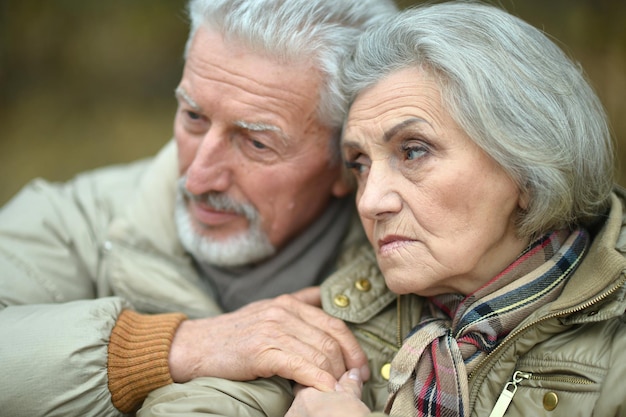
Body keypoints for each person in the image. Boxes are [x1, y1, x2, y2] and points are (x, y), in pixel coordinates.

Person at [0, 0, 399, 415]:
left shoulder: (424, 281)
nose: (197, 177)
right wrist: (164, 348)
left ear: (347, 160)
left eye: (257, 142)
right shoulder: (73, 217)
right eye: (193, 116)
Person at [284, 2, 626, 416]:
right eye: (360, 164)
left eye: (413, 152)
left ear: (526, 169)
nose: (370, 202)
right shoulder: (342, 309)